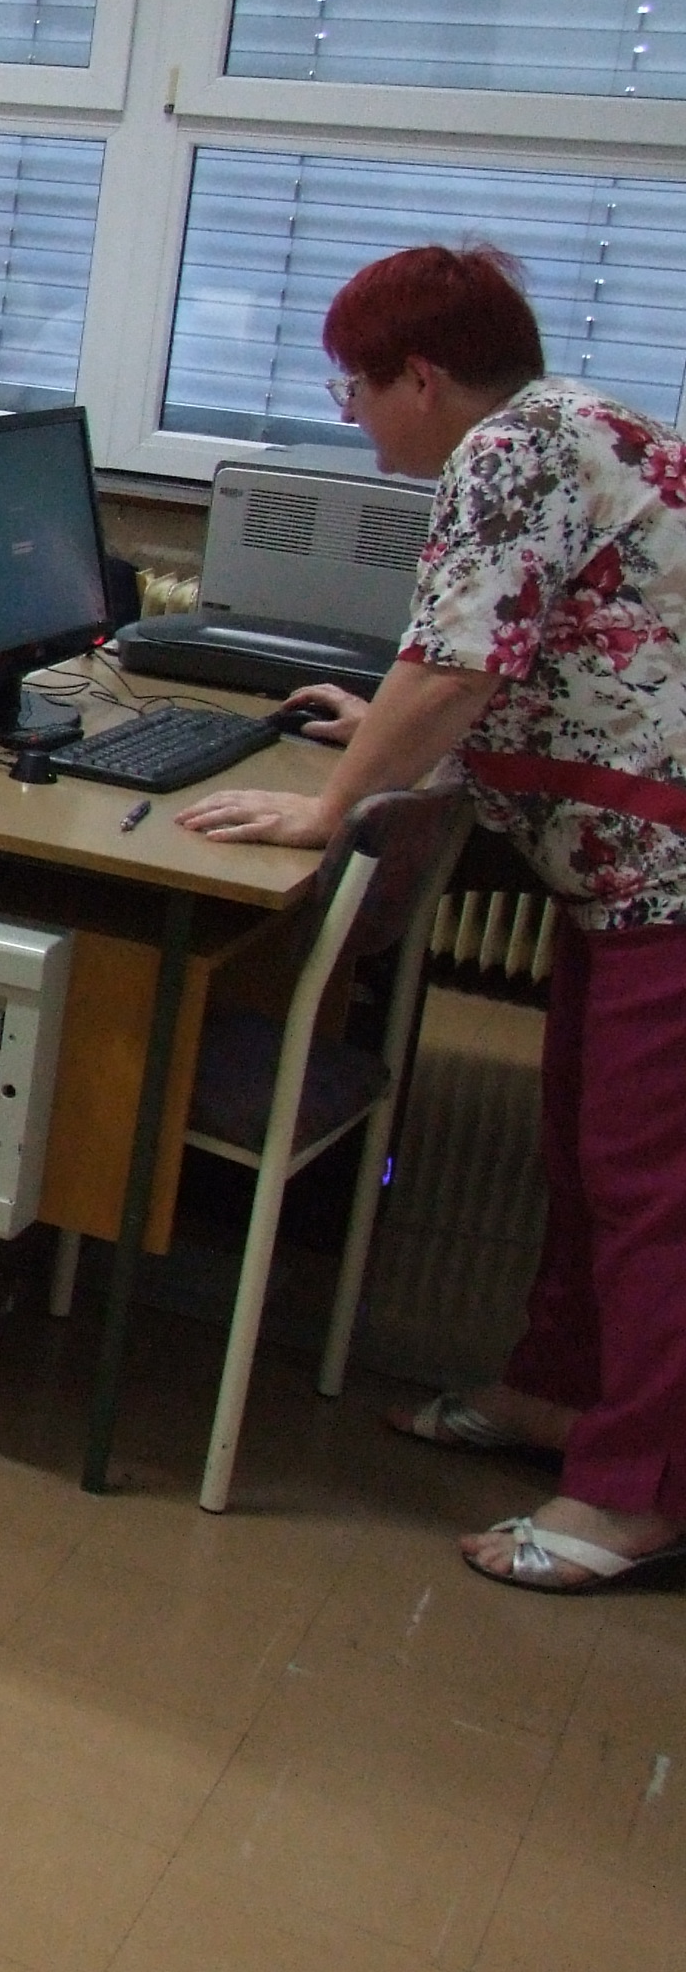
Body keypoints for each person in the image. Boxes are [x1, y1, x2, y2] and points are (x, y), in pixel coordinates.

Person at [181, 243, 686, 1596]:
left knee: (654, 1191)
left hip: (666, 873)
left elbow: (457, 665)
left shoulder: (508, 450)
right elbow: (538, 656)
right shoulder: (580, 422)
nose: (352, 417)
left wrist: (330, 802)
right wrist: (386, 735)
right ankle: (558, 1393)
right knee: (590, 1153)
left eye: (352, 390)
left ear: (418, 377)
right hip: (624, 871)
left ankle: (637, 1497)